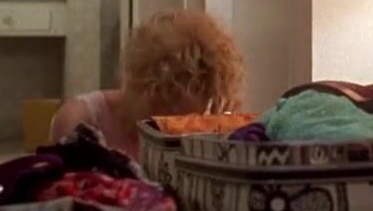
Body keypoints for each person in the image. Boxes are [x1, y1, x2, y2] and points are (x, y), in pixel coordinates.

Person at [49, 9, 245, 159]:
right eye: (171, 108)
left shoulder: (206, 124)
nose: (180, 127)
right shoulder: (80, 119)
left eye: (194, 117)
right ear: (145, 88)